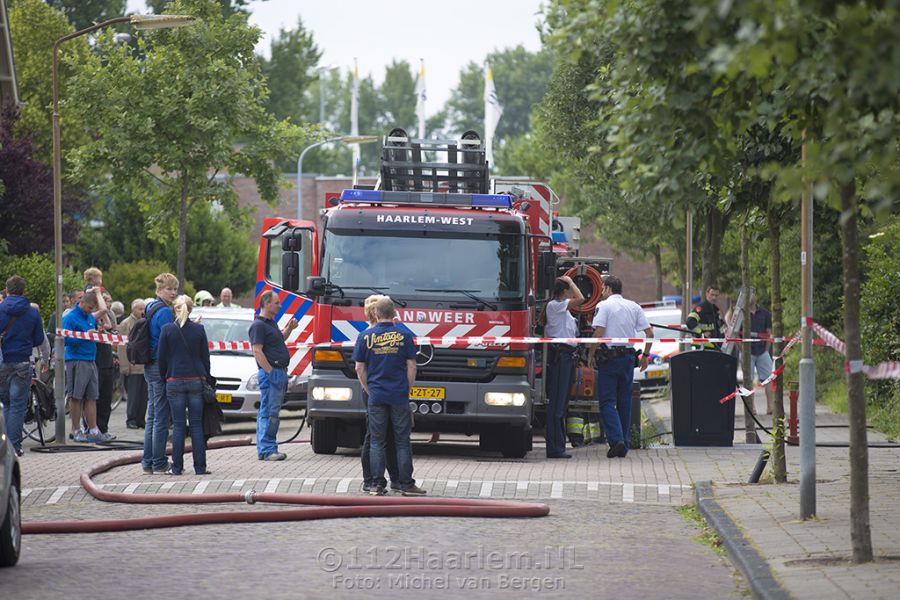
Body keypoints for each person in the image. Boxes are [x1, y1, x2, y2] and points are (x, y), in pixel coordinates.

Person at [353, 296, 426, 496]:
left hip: (376, 395)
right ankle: (406, 484)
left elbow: (359, 368)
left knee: (377, 441)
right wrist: (406, 389)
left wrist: (369, 389)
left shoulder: (365, 337)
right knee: (402, 441)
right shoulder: (404, 336)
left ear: (376, 314)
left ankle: (376, 485)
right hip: (398, 395)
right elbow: (412, 365)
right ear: (394, 313)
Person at [588, 275, 653, 459]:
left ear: (608, 289)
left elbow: (599, 331)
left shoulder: (604, 306)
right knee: (624, 403)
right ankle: (622, 446)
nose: (601, 292)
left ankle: (617, 440)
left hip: (609, 360)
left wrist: (591, 354)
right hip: (627, 360)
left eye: (602, 289)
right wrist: (646, 355)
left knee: (608, 402)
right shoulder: (634, 306)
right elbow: (649, 332)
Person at [158, 295, 211, 475]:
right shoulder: (199, 329)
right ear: (191, 309)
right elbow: (205, 358)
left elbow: (162, 358)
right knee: (196, 424)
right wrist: (207, 378)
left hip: (174, 380)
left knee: (179, 425)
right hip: (196, 380)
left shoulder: (166, 330)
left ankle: (177, 467)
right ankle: (200, 467)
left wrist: (164, 376)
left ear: (175, 309)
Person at [0, 276, 48, 456]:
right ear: (23, 290)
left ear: (7, 289)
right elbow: (38, 339)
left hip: (3, 360)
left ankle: (4, 446)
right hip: (23, 361)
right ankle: (15, 446)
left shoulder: (1, 308)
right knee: (18, 405)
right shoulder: (32, 312)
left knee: (5, 403)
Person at [249, 290, 297, 461]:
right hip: (272, 373)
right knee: (270, 413)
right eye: (277, 303)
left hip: (277, 372)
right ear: (267, 304)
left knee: (268, 411)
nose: (280, 305)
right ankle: (268, 449)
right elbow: (257, 351)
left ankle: (266, 448)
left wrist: (290, 329)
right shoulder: (258, 326)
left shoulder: (271, 324)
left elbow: (279, 339)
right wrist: (270, 372)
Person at [359, 295, 400, 493]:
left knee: (383, 435)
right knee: (376, 436)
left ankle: (387, 478)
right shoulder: (371, 334)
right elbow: (361, 368)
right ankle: (372, 479)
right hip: (375, 391)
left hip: (374, 390)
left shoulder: (373, 333)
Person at [544, 276, 585, 459]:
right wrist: (571, 281)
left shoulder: (562, 310)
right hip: (561, 357)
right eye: (569, 289)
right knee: (557, 404)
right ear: (565, 291)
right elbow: (581, 298)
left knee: (561, 404)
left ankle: (558, 445)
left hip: (567, 357)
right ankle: (554, 448)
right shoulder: (555, 306)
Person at [141, 273, 178, 475]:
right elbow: (169, 339)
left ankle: (148, 462)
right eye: (169, 289)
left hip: (149, 364)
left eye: (174, 289)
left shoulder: (149, 307)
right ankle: (159, 462)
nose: (172, 293)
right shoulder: (164, 311)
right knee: (161, 417)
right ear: (159, 290)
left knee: (152, 415)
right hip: (159, 365)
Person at [62, 289, 106, 443]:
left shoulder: (89, 317)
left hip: (90, 359)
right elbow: (65, 340)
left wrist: (95, 333)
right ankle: (75, 430)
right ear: (81, 303)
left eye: (92, 309)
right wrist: (87, 335)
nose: (90, 311)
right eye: (88, 308)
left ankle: (93, 430)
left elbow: (103, 310)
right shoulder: (70, 318)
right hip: (76, 359)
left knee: (92, 397)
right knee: (76, 397)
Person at [741, 293, 775, 414]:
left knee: (768, 379)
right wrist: (742, 349)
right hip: (747, 352)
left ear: (756, 297)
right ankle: (751, 408)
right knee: (748, 380)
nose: (751, 297)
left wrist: (766, 349)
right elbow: (736, 334)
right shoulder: (741, 314)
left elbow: (768, 332)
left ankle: (770, 407)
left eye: (753, 294)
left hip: (762, 351)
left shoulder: (765, 313)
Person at [118, 298, 148, 429]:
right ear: (133, 309)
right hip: (132, 366)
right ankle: (131, 419)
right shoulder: (126, 324)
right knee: (133, 395)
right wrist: (124, 365)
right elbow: (122, 346)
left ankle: (141, 419)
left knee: (143, 395)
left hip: (144, 366)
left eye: (144, 309)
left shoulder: (146, 323)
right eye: (140, 309)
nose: (142, 312)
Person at [94, 290, 118, 438]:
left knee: (106, 398)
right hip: (95, 361)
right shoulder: (92, 316)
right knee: (94, 398)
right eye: (105, 300)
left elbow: (112, 329)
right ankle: (92, 427)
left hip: (107, 360)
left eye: (109, 300)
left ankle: (104, 428)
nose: (108, 304)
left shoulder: (109, 316)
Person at [685, 285, 724, 350]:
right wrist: (702, 333)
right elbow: (690, 321)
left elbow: (719, 327)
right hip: (702, 347)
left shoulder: (715, 310)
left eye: (716, 295)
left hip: (714, 346)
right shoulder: (701, 308)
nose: (714, 297)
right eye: (712, 295)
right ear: (707, 294)